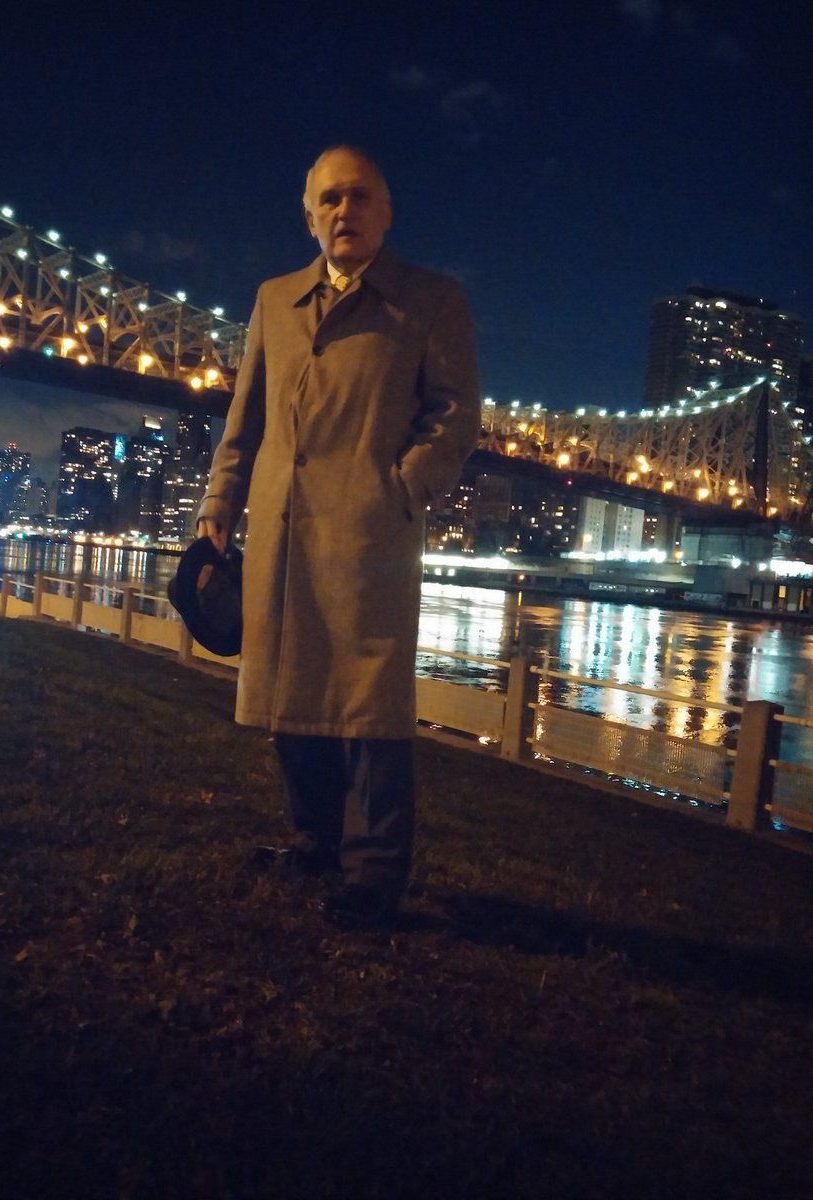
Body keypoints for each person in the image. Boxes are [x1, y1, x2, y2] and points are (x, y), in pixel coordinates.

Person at [197, 145, 480, 928]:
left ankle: (373, 872)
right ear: (308, 218)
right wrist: (219, 504)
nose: (343, 211)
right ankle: (315, 841)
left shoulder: (432, 301)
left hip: (369, 538)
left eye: (358, 197)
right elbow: (245, 418)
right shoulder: (274, 299)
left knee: (371, 706)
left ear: (386, 213)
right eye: (328, 199)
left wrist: (399, 490)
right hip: (282, 529)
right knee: (292, 693)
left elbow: (457, 416)